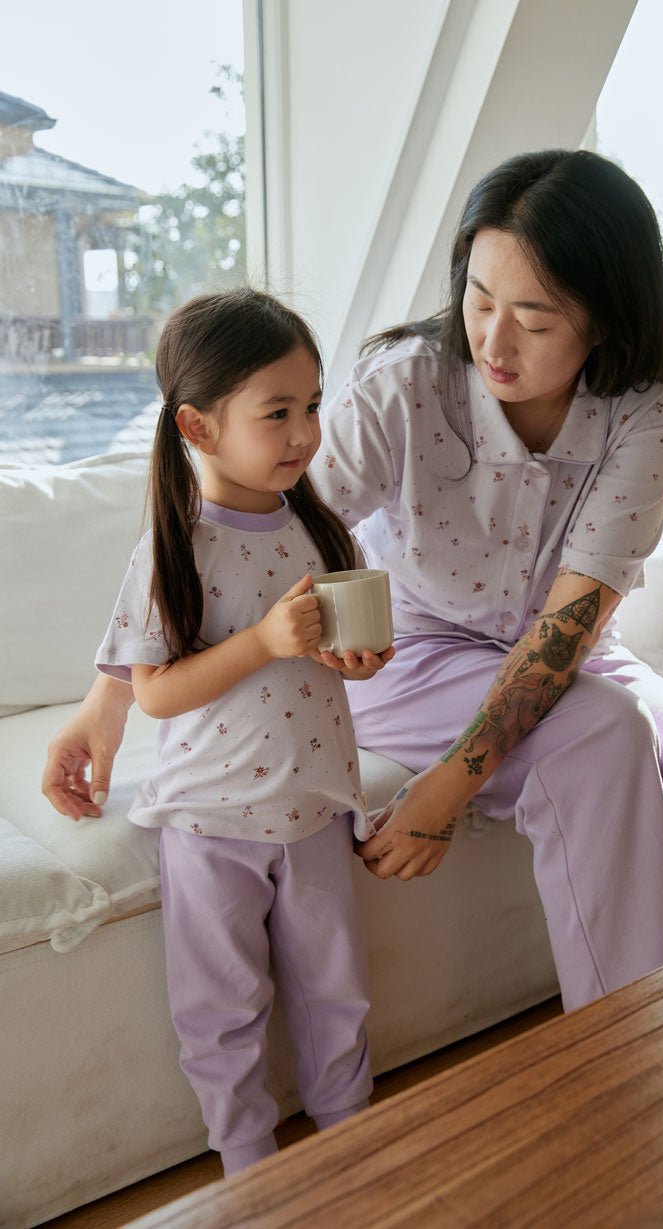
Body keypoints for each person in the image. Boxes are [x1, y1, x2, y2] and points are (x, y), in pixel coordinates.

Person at [43, 150, 663, 1017]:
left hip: (566, 654)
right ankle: (630, 1061)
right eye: (480, 299)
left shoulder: (647, 409)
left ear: (606, 319)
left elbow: (569, 628)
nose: (492, 340)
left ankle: (653, 1000)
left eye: (533, 320)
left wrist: (445, 791)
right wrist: (108, 698)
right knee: (603, 734)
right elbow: (231, 526)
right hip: (409, 657)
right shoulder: (408, 384)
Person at [88, 289, 392, 1176]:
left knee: (337, 993)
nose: (303, 432)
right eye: (277, 413)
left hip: (314, 812)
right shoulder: (175, 546)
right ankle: (248, 1167)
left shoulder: (317, 527)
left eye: (311, 405)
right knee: (220, 1009)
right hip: (212, 824)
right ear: (200, 424)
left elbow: (336, 653)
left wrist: (357, 659)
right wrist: (262, 641)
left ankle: (354, 1139)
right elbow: (155, 693)